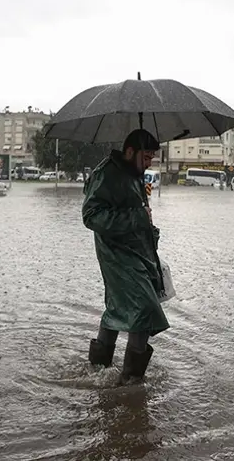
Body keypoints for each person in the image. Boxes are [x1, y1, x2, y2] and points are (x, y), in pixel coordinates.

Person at [82, 128, 169, 384]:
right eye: (146, 157)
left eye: (152, 158)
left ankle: (98, 368)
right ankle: (131, 381)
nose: (149, 162)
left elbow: (136, 212)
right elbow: (91, 216)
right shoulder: (106, 174)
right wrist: (138, 217)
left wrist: (149, 228)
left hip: (138, 254)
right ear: (130, 151)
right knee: (143, 310)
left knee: (118, 308)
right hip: (117, 256)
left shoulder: (134, 174)